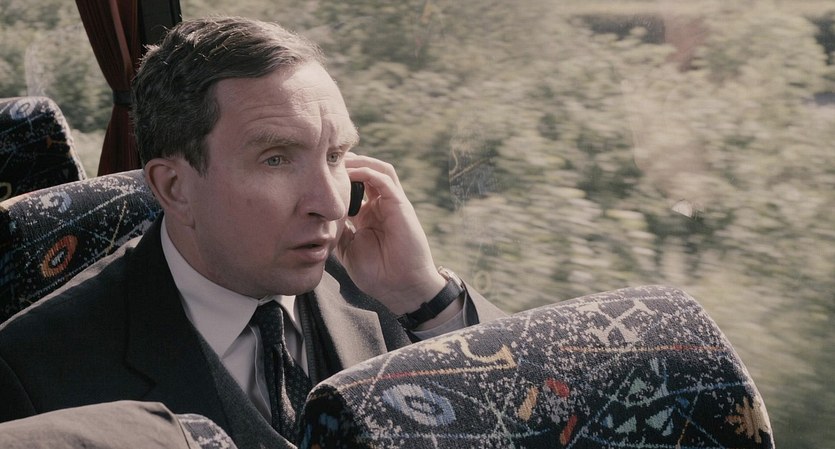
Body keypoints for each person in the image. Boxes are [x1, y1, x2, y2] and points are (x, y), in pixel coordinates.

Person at [0, 16, 504, 449]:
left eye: (335, 156)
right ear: (175, 188)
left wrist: (427, 298)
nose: (332, 205)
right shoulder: (35, 372)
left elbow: (526, 411)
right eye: (276, 159)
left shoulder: (388, 286)